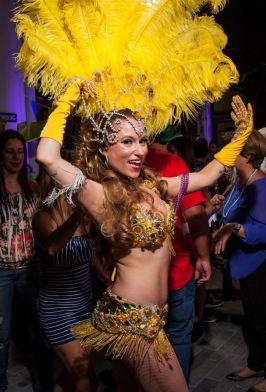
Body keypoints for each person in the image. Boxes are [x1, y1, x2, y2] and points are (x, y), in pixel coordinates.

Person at [33, 80, 252, 392]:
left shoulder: (153, 186)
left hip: (151, 316)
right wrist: (66, 103)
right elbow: (47, 157)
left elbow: (205, 176)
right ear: (103, 150)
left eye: (142, 140)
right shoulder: (98, 194)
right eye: (127, 141)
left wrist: (240, 139)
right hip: (132, 321)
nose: (139, 150)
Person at [145, 133, 210, 378]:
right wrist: (203, 257)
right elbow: (195, 215)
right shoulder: (171, 162)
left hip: (136, 281)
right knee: (179, 335)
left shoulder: (114, 161)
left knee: (143, 342)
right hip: (175, 273)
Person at [33, 171, 96, 392]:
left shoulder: (79, 215)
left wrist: (106, 277)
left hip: (83, 306)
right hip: (58, 309)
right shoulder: (42, 216)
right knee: (84, 375)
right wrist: (78, 216)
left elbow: (88, 253)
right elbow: (51, 247)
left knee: (74, 375)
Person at [213, 129, 266, 392]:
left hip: (261, 265)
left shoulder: (262, 186)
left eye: (233, 149)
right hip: (245, 263)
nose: (227, 154)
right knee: (253, 318)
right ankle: (256, 364)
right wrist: (218, 204)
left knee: (264, 320)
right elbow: (231, 212)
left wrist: (232, 228)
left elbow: (263, 232)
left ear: (247, 155)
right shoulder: (241, 182)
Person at [0, 130, 39, 392]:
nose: (16, 157)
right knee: (2, 335)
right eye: (10, 151)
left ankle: (42, 380)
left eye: (20, 151)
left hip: (30, 269)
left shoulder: (32, 186)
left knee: (37, 328)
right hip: (1, 271)